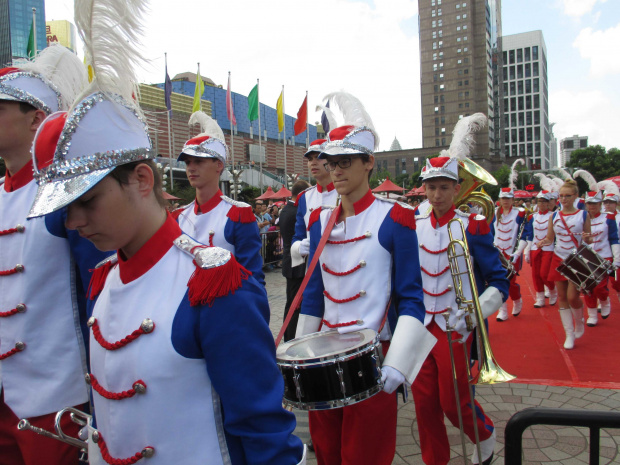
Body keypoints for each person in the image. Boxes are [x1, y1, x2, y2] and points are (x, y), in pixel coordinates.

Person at [27, 10, 305, 464]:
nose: (72, 223)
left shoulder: (214, 286)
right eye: (64, 208)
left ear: (140, 179)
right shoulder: (103, 279)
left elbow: (266, 438)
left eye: (87, 201)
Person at [296, 101, 436, 465]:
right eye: (330, 162)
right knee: (326, 452)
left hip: (372, 357)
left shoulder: (396, 218)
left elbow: (411, 299)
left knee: (365, 457)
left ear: (368, 163)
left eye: (345, 162)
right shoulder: (317, 220)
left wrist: (398, 365)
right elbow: (313, 296)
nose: (335, 170)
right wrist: (298, 355)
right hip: (322, 359)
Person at [0, 46, 108, 465]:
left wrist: (102, 399)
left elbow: (101, 296)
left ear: (34, 117)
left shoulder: (60, 196)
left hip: (58, 399)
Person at [410, 114, 508, 465]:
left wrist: (474, 315)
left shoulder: (473, 226)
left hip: (456, 327)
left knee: (454, 402)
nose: (436, 195)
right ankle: (435, 460)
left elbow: (500, 282)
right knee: (423, 405)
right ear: (424, 188)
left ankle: (483, 433)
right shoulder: (412, 222)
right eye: (431, 187)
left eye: (444, 187)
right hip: (420, 326)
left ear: (457, 188)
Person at [174, 111, 264, 287]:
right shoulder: (178, 216)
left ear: (219, 165)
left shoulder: (238, 214)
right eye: (187, 163)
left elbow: (252, 278)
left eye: (198, 161)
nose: (191, 168)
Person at [537, 180, 591, 349]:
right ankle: (569, 333)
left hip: (576, 259)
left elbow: (588, 239)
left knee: (572, 297)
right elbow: (550, 238)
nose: (564, 199)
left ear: (576, 196)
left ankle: (579, 321)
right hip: (559, 258)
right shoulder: (555, 215)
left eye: (568, 196)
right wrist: (542, 242)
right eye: (561, 196)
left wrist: (588, 237)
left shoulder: (583, 215)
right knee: (562, 297)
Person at [290, 139, 339, 268]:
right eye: (310, 159)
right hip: (313, 268)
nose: (313, 162)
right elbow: (298, 235)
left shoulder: (345, 193)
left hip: (341, 265)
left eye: (318, 157)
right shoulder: (304, 197)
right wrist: (299, 247)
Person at [279, 179, 311, 342]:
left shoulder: (286, 209)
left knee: (292, 303)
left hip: (290, 262)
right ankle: (290, 337)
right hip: (296, 263)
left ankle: (290, 336)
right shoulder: (295, 211)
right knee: (294, 305)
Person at [581, 190, 619, 325]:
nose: (592, 206)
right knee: (588, 287)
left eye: (595, 204)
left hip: (604, 257)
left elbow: (614, 239)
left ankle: (604, 300)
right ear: (586, 204)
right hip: (586, 258)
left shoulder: (608, 218)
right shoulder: (581, 218)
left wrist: (617, 259)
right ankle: (591, 314)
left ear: (600, 204)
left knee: (599, 287)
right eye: (590, 203)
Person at [493, 186, 529, 320]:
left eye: (508, 198)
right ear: (500, 199)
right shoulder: (494, 212)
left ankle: (517, 299)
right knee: (497, 281)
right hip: (498, 252)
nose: (506, 201)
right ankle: (502, 310)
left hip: (512, 252)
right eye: (503, 198)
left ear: (513, 199)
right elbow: (490, 232)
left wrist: (519, 252)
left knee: (511, 281)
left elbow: (525, 233)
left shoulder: (520, 214)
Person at [524, 190, 558, 307]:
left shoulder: (554, 216)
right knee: (536, 274)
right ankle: (540, 297)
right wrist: (527, 251)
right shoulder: (533, 216)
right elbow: (530, 234)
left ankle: (552, 291)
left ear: (549, 203)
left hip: (549, 248)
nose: (542, 204)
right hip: (535, 247)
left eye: (544, 202)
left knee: (544, 273)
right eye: (540, 202)